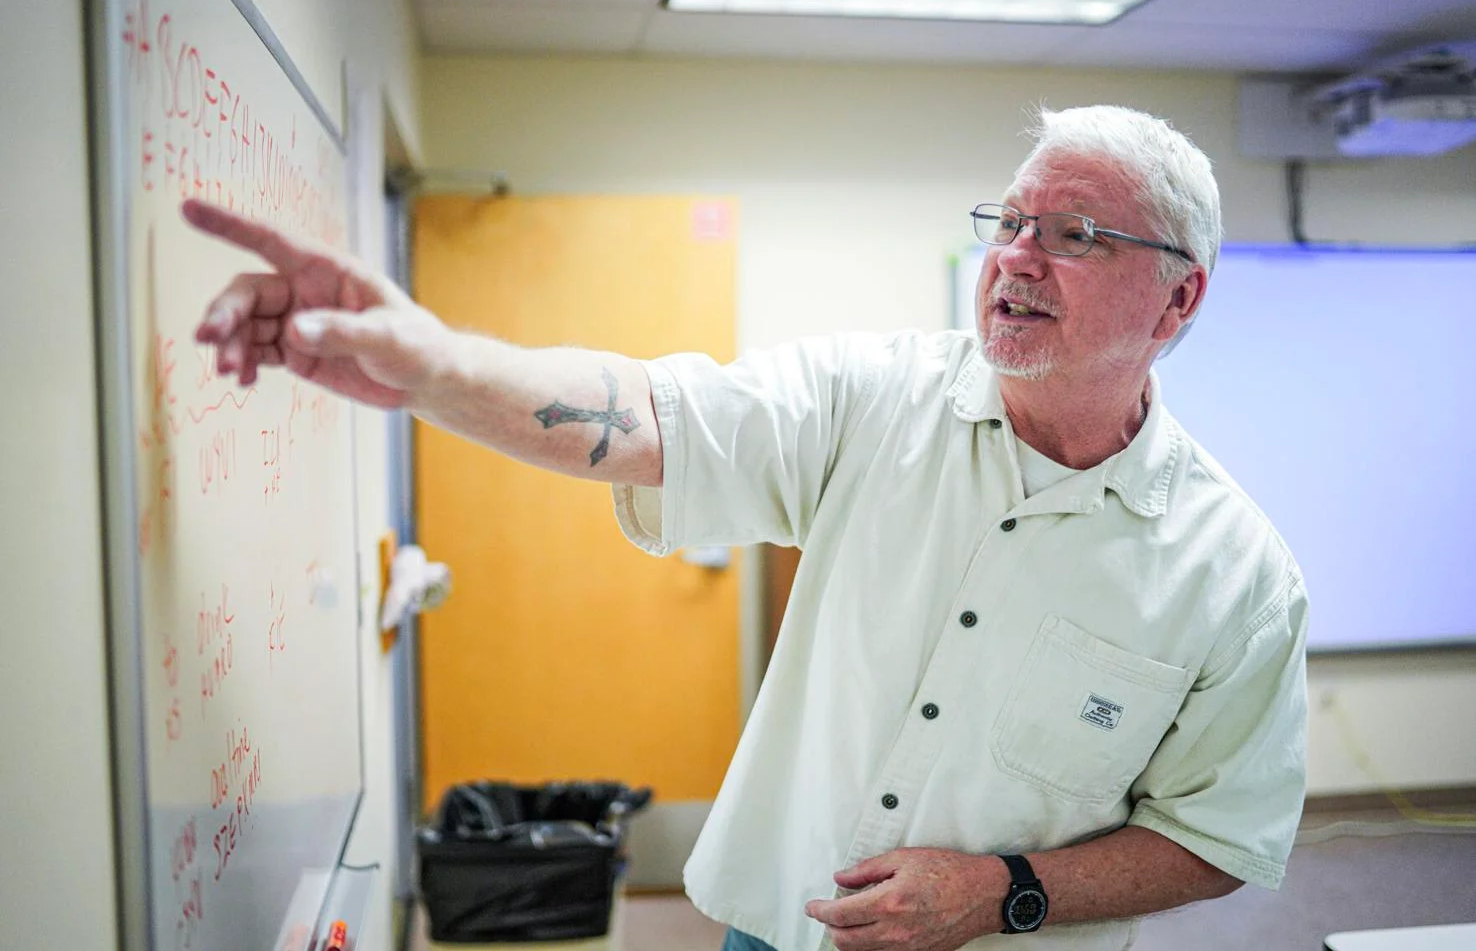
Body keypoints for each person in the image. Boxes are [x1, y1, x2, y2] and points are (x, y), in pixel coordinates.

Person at [185, 104, 1308, 951]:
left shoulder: (1235, 576)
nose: (1015, 256)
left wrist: (1002, 888)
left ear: (1180, 299)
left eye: (1074, 233)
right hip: (776, 925)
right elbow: (637, 414)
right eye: (1008, 221)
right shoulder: (872, 400)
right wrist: (428, 360)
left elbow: (1214, 839)